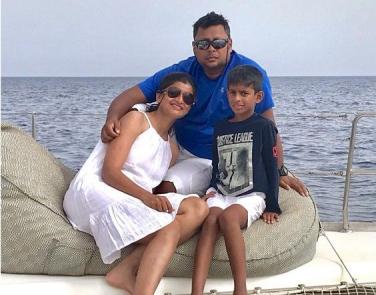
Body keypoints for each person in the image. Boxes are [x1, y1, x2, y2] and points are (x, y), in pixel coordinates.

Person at [100, 11, 309, 198]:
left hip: (212, 159)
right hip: (174, 147)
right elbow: (130, 96)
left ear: (229, 43)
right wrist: (112, 119)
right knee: (130, 175)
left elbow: (269, 127)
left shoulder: (250, 73)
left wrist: (279, 170)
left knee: (164, 189)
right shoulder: (182, 71)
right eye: (203, 44)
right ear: (194, 47)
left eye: (218, 43)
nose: (211, 49)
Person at [63, 73, 209, 295]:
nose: (180, 99)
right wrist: (148, 198)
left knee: (198, 208)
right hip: (99, 188)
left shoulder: (172, 147)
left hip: (134, 195)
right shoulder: (137, 120)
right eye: (174, 93)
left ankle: (125, 271)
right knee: (168, 230)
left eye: (188, 98)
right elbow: (110, 172)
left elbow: (149, 180)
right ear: (159, 96)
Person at [191, 65, 281, 295]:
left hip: (251, 195)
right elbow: (216, 162)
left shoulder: (263, 126)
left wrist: (272, 205)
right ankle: (196, 291)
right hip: (222, 192)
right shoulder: (220, 127)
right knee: (210, 221)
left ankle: (240, 289)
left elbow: (271, 167)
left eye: (244, 93)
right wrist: (211, 188)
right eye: (232, 92)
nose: (237, 98)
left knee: (229, 219)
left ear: (258, 97)